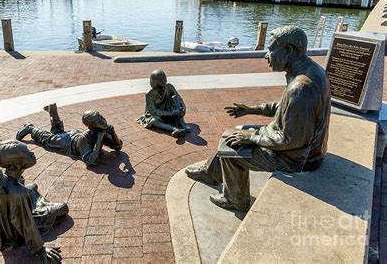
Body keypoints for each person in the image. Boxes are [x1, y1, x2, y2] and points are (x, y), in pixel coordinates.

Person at [185, 26, 331, 211]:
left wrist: (252, 138)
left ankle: (236, 200)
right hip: (300, 147)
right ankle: (211, 173)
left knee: (232, 153)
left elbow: (290, 140)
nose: (266, 55)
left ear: (288, 50)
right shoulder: (310, 70)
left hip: (297, 158)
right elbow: (285, 109)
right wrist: (251, 110)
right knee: (237, 131)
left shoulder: (300, 88)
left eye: (271, 49)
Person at [0, 140, 67, 263]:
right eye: (26, 152)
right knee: (63, 208)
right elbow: (25, 223)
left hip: (2, 220)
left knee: (32, 186)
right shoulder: (18, 192)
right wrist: (40, 249)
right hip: (15, 232)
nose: (31, 153)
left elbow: (3, 196)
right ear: (15, 166)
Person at [16, 104, 122, 167]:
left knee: (58, 132)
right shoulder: (84, 139)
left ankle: (53, 112)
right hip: (68, 142)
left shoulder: (101, 130)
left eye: (101, 117)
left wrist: (112, 132)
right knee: (47, 138)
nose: (103, 121)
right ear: (92, 126)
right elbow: (91, 161)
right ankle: (30, 128)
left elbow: (117, 147)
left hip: (73, 135)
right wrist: (99, 141)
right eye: (98, 121)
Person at [137, 70, 190, 138]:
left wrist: (182, 108)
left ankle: (182, 124)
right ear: (154, 81)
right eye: (160, 79)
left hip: (170, 110)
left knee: (176, 103)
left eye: (164, 77)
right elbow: (153, 111)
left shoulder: (169, 87)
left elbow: (179, 99)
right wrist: (170, 113)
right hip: (157, 114)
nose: (163, 80)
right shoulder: (150, 94)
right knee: (154, 121)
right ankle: (174, 129)